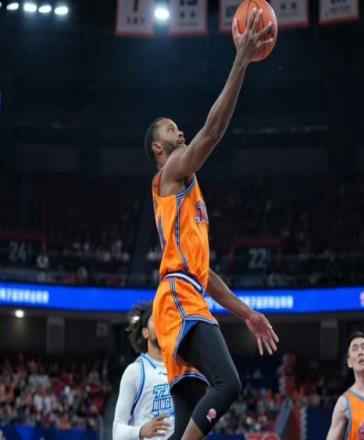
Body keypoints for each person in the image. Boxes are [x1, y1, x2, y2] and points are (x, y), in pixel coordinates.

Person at [143, 9, 278, 440]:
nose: (180, 132)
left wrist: (246, 313)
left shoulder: (187, 188)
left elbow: (206, 277)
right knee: (228, 383)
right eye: (171, 130)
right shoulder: (170, 173)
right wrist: (241, 60)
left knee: (189, 412)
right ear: (158, 149)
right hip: (178, 299)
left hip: (185, 293)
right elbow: (213, 132)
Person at [113, 302, 174, 439]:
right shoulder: (135, 371)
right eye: (155, 319)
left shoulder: (180, 368)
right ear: (145, 332)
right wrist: (141, 431)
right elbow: (116, 431)